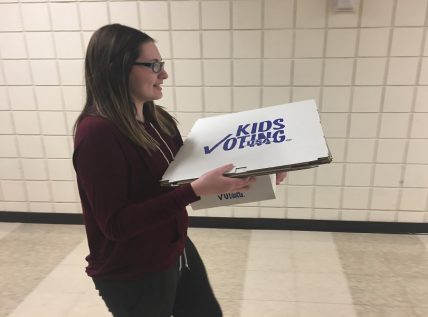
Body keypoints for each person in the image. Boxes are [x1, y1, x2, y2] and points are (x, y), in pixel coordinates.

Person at [73, 24, 286, 317]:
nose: (164, 74)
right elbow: (115, 225)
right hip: (132, 272)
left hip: (175, 248)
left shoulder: (159, 120)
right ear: (117, 68)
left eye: (162, 64)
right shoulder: (97, 133)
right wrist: (194, 190)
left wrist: (259, 177)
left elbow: (190, 183)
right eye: (154, 65)